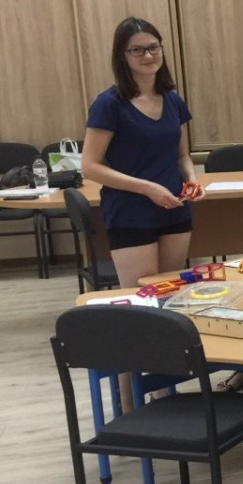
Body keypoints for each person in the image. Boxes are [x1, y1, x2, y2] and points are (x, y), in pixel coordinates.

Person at [81, 18, 203, 291]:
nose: (148, 55)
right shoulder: (109, 104)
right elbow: (90, 166)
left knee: (172, 292)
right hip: (130, 211)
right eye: (137, 50)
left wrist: (192, 179)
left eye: (153, 47)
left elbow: (181, 156)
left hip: (174, 206)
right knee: (141, 295)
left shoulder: (173, 100)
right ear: (122, 56)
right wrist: (147, 188)